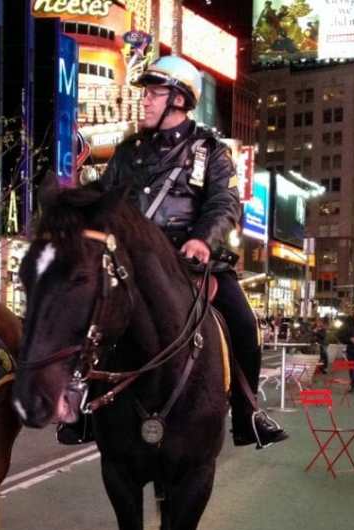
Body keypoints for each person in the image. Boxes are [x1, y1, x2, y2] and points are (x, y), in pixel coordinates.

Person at [97, 55, 287, 449]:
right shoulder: (127, 152)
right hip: (133, 265)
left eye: (154, 93)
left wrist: (203, 239)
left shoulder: (212, 151)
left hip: (192, 263)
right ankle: (86, 406)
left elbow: (225, 203)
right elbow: (103, 200)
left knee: (243, 324)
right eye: (145, 94)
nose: (145, 101)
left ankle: (247, 413)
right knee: (86, 313)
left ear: (180, 99)